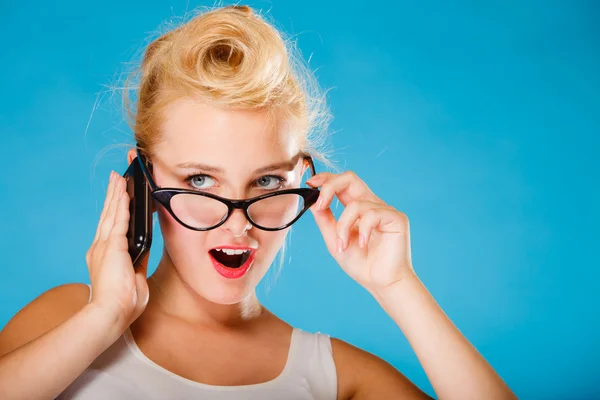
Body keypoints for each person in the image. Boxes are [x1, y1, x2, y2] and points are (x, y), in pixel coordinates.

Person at [0, 5, 516, 399]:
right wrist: (104, 319)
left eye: (267, 184)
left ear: (305, 181)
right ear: (143, 181)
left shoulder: (336, 378)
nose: (236, 227)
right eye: (200, 180)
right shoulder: (68, 318)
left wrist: (399, 286)